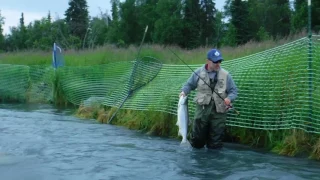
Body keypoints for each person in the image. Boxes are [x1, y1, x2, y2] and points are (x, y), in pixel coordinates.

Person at [179, 48, 238, 149]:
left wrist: (229, 98)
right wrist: (183, 92)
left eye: (220, 61)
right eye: (215, 61)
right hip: (201, 112)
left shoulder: (226, 75)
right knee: (197, 141)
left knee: (215, 143)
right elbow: (189, 85)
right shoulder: (198, 73)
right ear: (208, 61)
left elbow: (234, 91)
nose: (218, 64)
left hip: (219, 114)